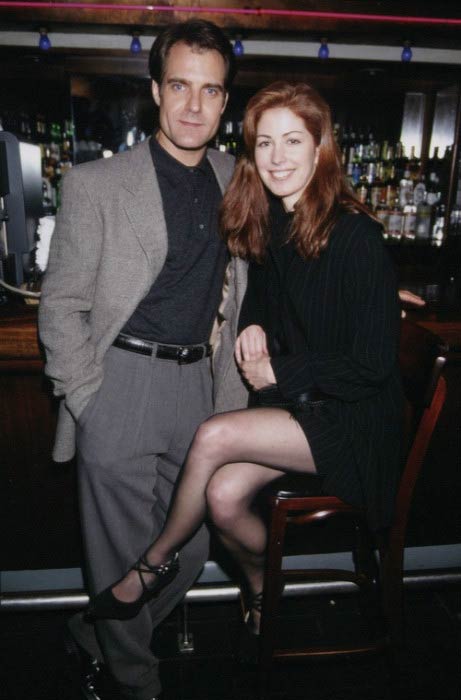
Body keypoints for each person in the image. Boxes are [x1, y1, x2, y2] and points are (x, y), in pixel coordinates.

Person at [86, 81, 404, 640]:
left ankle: (151, 565)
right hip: (312, 408)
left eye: (292, 142)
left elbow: (373, 366)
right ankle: (261, 585)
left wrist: (282, 371)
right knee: (223, 496)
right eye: (263, 144)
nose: (277, 158)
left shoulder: (356, 236)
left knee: (212, 437)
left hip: (356, 423)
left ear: (320, 147)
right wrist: (254, 319)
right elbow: (266, 290)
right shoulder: (281, 223)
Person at [38, 20, 248, 700]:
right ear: (156, 91)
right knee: (122, 551)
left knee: (184, 552)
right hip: (120, 384)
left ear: (224, 102)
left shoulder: (235, 178)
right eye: (179, 86)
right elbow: (60, 305)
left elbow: (296, 246)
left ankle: (98, 633)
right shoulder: (96, 184)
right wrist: (89, 401)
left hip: (199, 388)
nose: (193, 105)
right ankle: (135, 680)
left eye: (210, 90)